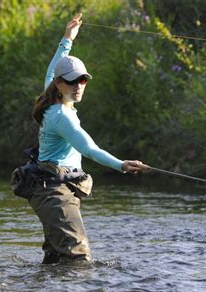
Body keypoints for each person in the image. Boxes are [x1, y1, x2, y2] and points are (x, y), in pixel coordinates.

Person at [30, 13, 148, 264]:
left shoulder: (52, 94)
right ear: (60, 84)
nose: (79, 86)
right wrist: (121, 165)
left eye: (83, 80)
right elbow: (89, 148)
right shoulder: (61, 116)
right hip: (54, 192)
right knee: (78, 258)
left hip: (54, 188)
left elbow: (53, 66)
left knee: (56, 260)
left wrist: (67, 38)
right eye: (72, 82)